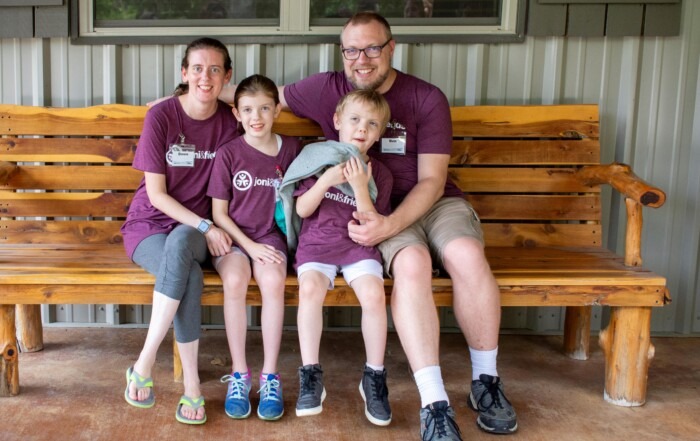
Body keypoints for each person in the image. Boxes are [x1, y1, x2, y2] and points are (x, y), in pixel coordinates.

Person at [121, 37, 237, 425]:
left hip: (194, 233)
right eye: (198, 69)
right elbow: (155, 195)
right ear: (184, 73)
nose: (206, 77)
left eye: (215, 69)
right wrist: (205, 224)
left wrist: (204, 226)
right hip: (149, 226)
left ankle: (143, 362)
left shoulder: (230, 122)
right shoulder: (162, 117)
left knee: (185, 241)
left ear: (227, 77)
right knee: (185, 267)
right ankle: (192, 386)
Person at [278, 89, 393, 426]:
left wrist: (360, 186)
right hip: (317, 245)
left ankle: (373, 376)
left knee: (374, 294)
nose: (362, 128)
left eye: (372, 123)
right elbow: (300, 208)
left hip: (357, 246)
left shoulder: (380, 174)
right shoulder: (317, 159)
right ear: (338, 121)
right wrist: (328, 178)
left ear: (380, 132)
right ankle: (311, 374)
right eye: (355, 120)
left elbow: (372, 222)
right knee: (310, 289)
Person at [207, 74, 301, 421]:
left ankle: (270, 377)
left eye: (264, 108)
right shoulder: (229, 154)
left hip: (271, 237)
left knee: (274, 281)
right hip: (234, 238)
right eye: (247, 109)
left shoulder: (291, 149)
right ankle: (239, 375)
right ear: (236, 113)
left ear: (277, 110)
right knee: (234, 281)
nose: (256, 117)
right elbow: (219, 213)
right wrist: (247, 246)